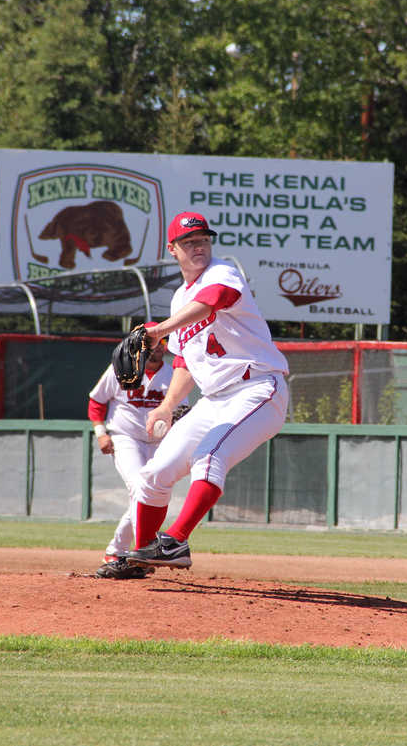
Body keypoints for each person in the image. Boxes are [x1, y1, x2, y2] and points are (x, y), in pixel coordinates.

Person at [119, 211, 289, 570]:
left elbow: (215, 299)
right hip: (214, 400)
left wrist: (159, 329)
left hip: (257, 387)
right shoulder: (180, 299)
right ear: (173, 249)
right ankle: (142, 556)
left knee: (209, 457)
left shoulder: (222, 272)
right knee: (154, 475)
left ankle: (175, 542)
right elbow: (185, 363)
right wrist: (166, 406)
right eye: (189, 242)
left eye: (203, 240)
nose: (199, 246)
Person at [88, 321, 186, 579]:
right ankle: (117, 551)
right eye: (150, 343)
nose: (155, 348)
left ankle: (127, 552)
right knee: (140, 489)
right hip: (126, 438)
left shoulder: (175, 374)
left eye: (160, 343)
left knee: (149, 493)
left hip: (159, 443)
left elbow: (182, 411)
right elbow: (97, 401)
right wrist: (101, 434)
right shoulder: (123, 367)